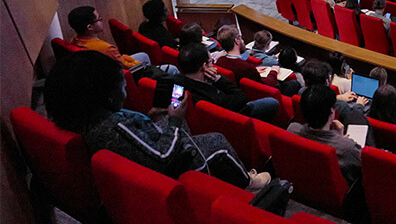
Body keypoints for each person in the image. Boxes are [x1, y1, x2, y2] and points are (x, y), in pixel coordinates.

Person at [44, 50, 270, 192]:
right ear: (105, 95)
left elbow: (135, 143)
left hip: (148, 154)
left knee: (179, 121)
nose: (125, 91)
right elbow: (161, 158)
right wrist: (174, 121)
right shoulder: (114, 127)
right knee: (216, 141)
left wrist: (152, 116)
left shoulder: (91, 121)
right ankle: (247, 184)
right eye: (121, 86)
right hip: (170, 168)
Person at [162, 43, 279, 123]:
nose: (212, 64)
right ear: (204, 66)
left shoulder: (176, 82)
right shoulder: (214, 98)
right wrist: (218, 79)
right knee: (272, 102)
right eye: (210, 61)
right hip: (236, 117)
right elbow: (242, 98)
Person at [68, 6, 178, 75]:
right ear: (90, 27)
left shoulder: (75, 40)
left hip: (107, 68)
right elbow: (125, 66)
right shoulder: (105, 48)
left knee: (144, 55)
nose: (102, 21)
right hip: (122, 74)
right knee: (172, 69)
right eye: (99, 19)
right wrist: (138, 64)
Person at [287, 85, 362, 184]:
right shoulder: (348, 148)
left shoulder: (292, 130)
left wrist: (339, 139)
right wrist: (340, 139)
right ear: (332, 112)